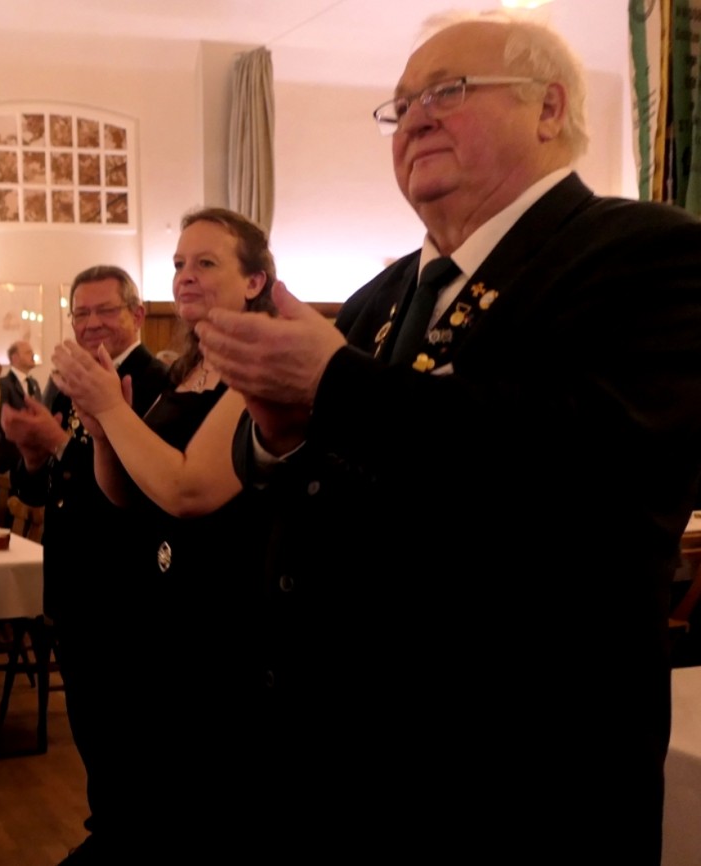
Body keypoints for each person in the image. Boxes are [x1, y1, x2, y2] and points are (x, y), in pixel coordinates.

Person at [187, 12, 701, 863]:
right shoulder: (384, 292)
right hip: (350, 764)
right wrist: (276, 428)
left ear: (548, 109)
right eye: (402, 106)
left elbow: (589, 467)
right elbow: (310, 472)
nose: (415, 118)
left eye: (448, 91)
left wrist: (332, 385)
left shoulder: (647, 254)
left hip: (525, 769)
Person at [50, 213, 274, 861]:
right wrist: (103, 432)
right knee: (147, 782)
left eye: (206, 263)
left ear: (255, 280)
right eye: (178, 264)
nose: (185, 276)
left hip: (227, 603)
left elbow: (186, 490)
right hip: (160, 605)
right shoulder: (187, 370)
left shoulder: (260, 364)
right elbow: (128, 492)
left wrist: (110, 408)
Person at [1, 265, 169, 865]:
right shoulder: (65, 383)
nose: (91, 323)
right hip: (73, 585)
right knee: (90, 725)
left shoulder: (158, 384)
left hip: (127, 586)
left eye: (105, 310)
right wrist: (30, 450)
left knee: (130, 730)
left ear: (137, 315)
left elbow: (140, 491)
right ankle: (108, 826)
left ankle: (130, 835)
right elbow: (40, 491)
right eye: (80, 313)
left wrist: (59, 443)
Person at [0, 340, 40, 478]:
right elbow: (2, 421)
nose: (33, 355)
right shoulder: (3, 384)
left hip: (33, 456)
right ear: (15, 358)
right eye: (28, 352)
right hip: (11, 456)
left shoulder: (34, 384)